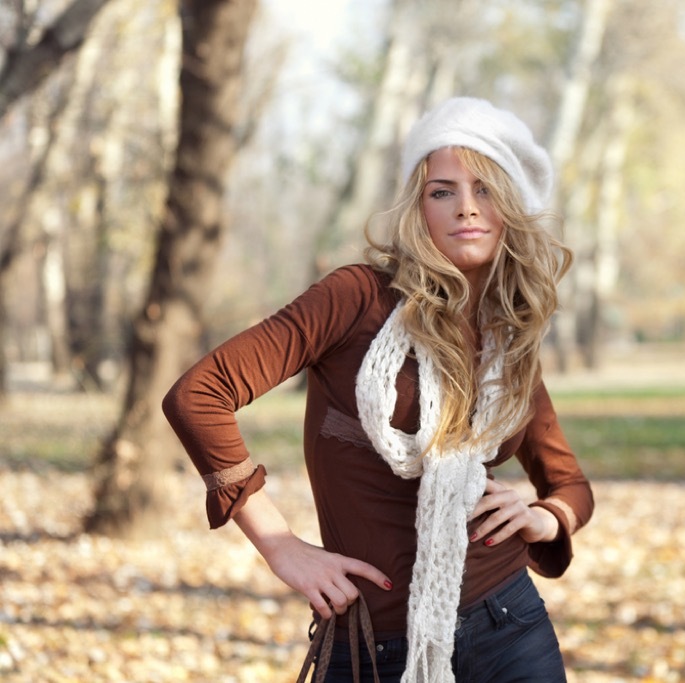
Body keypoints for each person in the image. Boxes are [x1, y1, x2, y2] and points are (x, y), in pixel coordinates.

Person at [162, 96, 594, 683]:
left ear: (512, 205)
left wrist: (545, 516)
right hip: (373, 647)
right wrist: (280, 544)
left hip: (510, 628)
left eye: (486, 189)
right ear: (419, 206)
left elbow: (568, 484)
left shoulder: (507, 334)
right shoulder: (357, 297)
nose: (466, 208)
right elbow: (199, 393)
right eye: (443, 190)